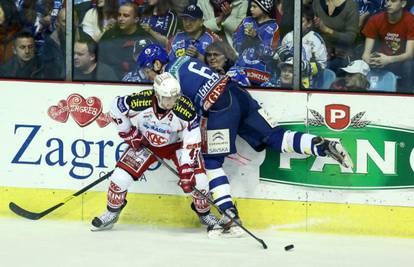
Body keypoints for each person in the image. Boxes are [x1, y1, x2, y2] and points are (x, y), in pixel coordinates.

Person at [136, 44, 354, 235]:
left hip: (221, 109)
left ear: (157, 64)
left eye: (147, 70)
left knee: (211, 161)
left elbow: (183, 117)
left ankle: (228, 212)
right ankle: (324, 146)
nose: (146, 76)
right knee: (276, 136)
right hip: (238, 95)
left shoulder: (168, 82)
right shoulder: (183, 59)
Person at [91, 72, 219, 232]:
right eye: (167, 98)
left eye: (175, 97)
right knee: (119, 178)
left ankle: (204, 213)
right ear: (157, 95)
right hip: (147, 144)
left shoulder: (185, 108)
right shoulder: (142, 100)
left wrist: (186, 168)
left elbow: (192, 138)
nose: (172, 101)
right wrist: (128, 132)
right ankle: (111, 213)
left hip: (177, 146)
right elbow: (115, 107)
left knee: (199, 182)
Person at [361, 0, 414, 93]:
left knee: (409, 65)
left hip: (400, 61)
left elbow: (409, 54)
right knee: (358, 58)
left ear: (403, 3)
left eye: (393, 1)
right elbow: (366, 54)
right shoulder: (375, 19)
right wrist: (370, 60)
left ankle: (406, 97)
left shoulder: (411, 20)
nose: (388, 4)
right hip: (380, 58)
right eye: (387, 0)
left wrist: (388, 59)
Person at [97, 2, 155, 80]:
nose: (120, 19)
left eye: (126, 16)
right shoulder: (109, 35)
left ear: (136, 19)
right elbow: (99, 61)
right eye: (119, 15)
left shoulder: (145, 38)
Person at [232, 0, 279, 86]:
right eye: (250, 6)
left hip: (262, 75)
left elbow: (271, 53)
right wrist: (246, 40)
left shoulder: (274, 27)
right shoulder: (246, 21)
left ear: (264, 8)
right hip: (241, 70)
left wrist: (256, 38)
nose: (251, 9)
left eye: (254, 6)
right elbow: (236, 45)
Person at [313, 0, 359, 72]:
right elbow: (312, 31)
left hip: (342, 55)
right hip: (320, 53)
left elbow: (350, 37)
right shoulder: (317, 2)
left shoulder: (351, 5)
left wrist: (327, 30)